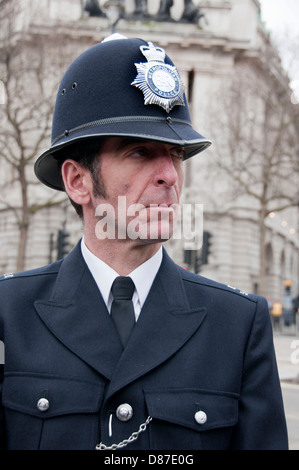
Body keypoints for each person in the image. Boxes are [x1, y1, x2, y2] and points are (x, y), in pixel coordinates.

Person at [0, 34, 288, 450]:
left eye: (175, 154)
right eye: (139, 152)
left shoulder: (239, 324)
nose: (170, 175)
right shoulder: (9, 315)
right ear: (78, 181)